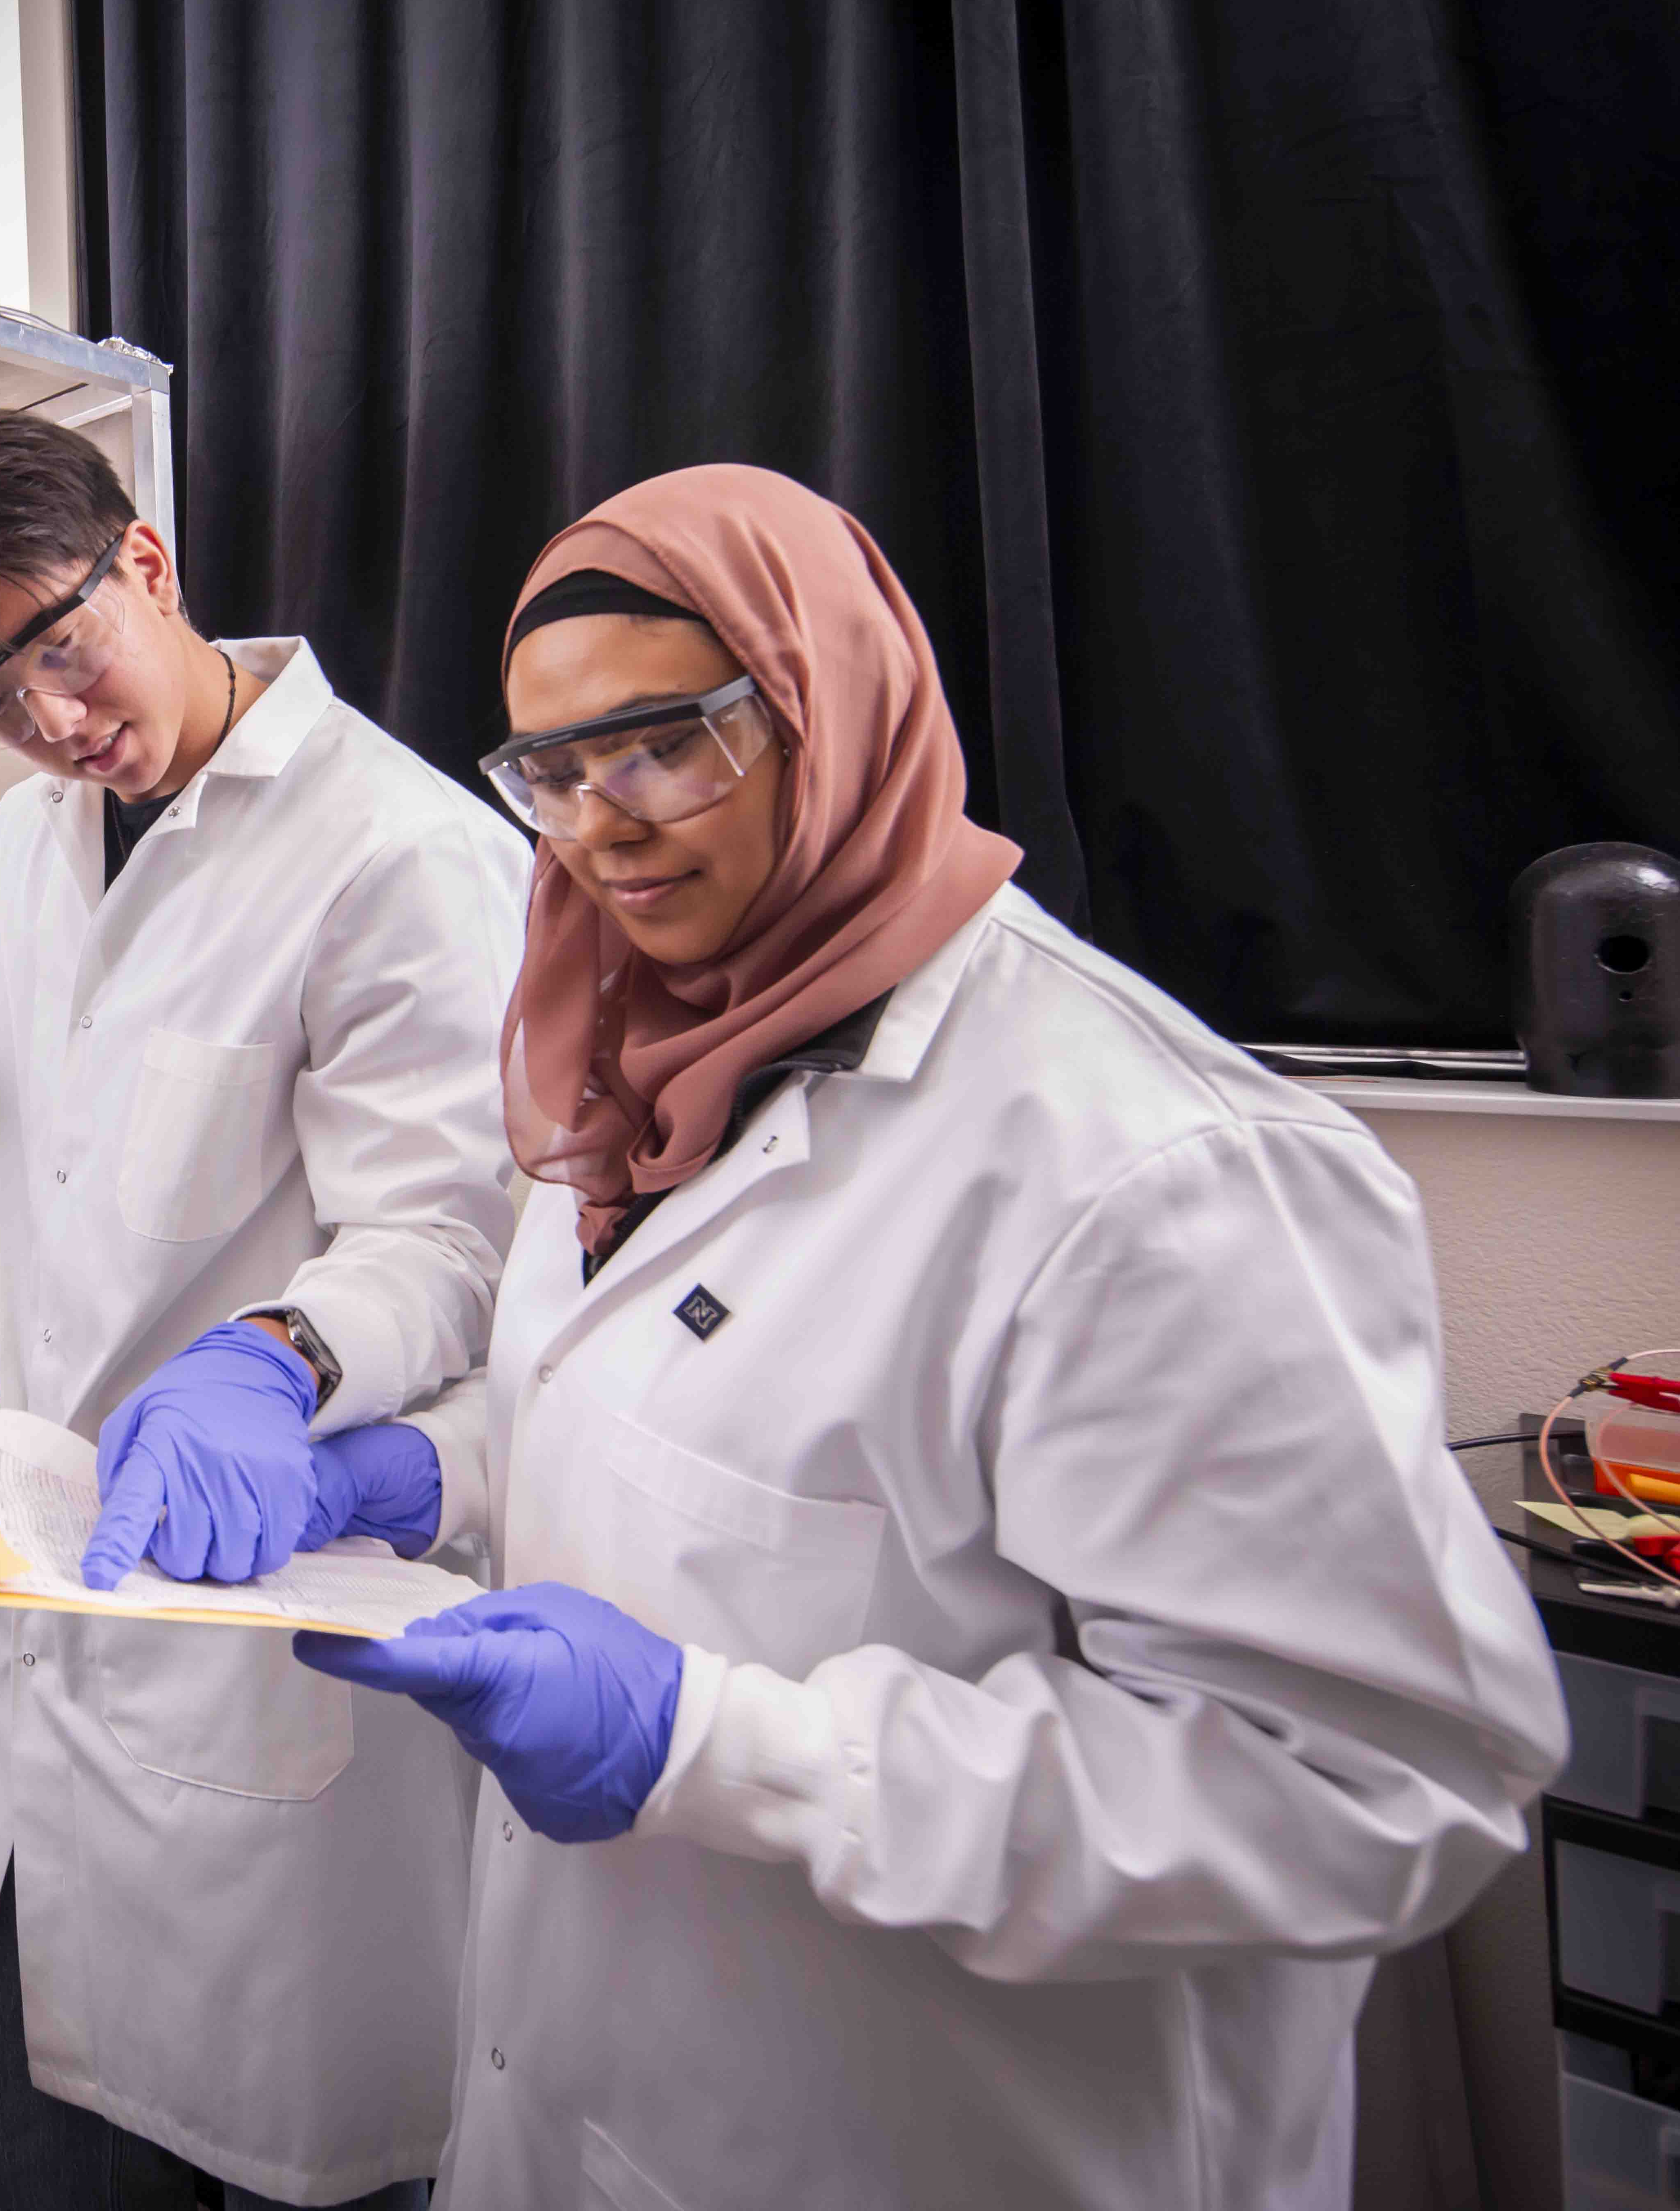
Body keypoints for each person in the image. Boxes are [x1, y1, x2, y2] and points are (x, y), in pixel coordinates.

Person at [96, 463, 1569, 2208]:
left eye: (666, 744)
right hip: (613, 2111)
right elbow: (698, 1427)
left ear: (831, 707)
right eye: (553, 772)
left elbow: (1368, 1787)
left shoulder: (1146, 1168)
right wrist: (436, 1471)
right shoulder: (643, 1067)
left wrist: (718, 1750)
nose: (601, 825)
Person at [0, 416, 530, 2210]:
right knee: (11, 2134)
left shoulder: (399, 850)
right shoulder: (27, 842)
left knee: (273, 2140)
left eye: (58, 649)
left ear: (144, 563)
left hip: (254, 1681)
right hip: (38, 1668)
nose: (52, 721)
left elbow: (451, 1242)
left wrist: (273, 1358)